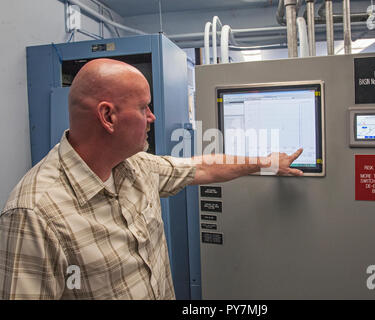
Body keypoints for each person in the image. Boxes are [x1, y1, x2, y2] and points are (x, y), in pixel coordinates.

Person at [0, 58, 303, 299]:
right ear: (108, 117)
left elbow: (202, 168)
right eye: (144, 107)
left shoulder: (136, 167)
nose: (152, 117)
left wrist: (266, 163)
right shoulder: (34, 215)